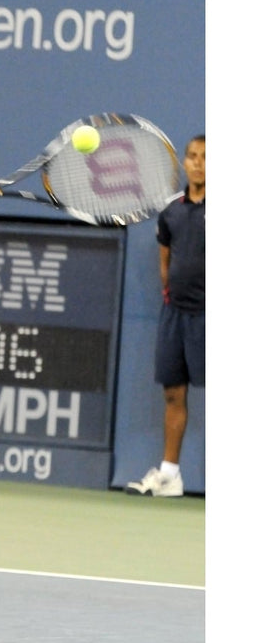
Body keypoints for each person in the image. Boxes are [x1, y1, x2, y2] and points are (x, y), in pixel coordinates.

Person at [125, 134, 205, 497]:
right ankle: (170, 475)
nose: (198, 162)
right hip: (176, 314)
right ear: (184, 163)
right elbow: (165, 264)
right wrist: (172, 294)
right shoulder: (172, 210)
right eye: (192, 156)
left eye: (206, 157)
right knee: (174, 395)